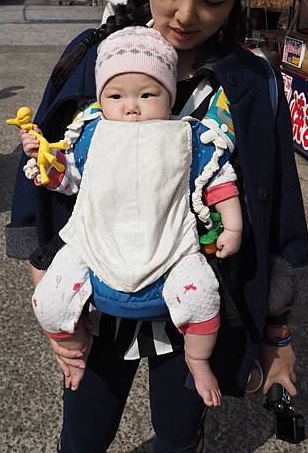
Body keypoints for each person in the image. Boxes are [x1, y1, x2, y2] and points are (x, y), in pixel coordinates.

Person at [6, 0, 308, 451]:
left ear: (239, 1)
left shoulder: (249, 85)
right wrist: (44, 277)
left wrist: (277, 331)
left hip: (196, 297)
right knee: (83, 436)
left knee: (179, 436)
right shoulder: (93, 57)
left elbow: (279, 209)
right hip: (99, 295)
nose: (185, 14)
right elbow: (41, 169)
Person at [21, 26, 243, 407]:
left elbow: (219, 180)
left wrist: (233, 223)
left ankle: (198, 357)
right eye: (117, 96)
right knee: (50, 300)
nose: (132, 106)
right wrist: (44, 158)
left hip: (170, 246)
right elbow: (68, 179)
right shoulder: (91, 134)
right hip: (94, 243)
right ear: (100, 98)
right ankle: (74, 351)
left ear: (169, 96)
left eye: (147, 94)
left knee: (204, 294)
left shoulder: (186, 136)